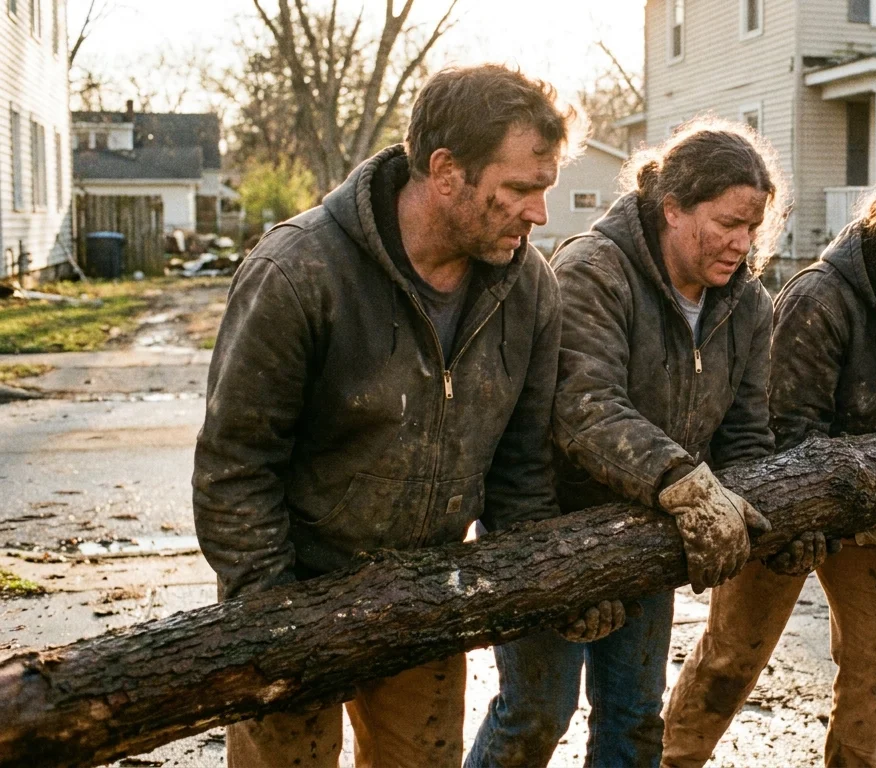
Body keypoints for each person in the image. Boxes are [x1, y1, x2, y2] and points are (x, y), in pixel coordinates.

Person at [192, 64, 613, 768]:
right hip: (293, 596)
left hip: (426, 601)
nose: (540, 214)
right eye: (519, 189)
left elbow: (520, 475)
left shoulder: (529, 287)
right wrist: (272, 619)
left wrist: (555, 584)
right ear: (445, 171)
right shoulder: (299, 272)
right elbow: (235, 467)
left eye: (546, 189)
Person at [467, 118, 818, 768]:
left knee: (633, 720)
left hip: (651, 532)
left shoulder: (746, 307)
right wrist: (685, 483)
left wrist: (778, 518)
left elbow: (744, 435)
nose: (742, 243)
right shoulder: (593, 272)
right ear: (672, 207)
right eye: (726, 223)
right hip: (549, 526)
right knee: (536, 715)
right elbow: (584, 407)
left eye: (752, 226)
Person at [662, 150, 876, 768]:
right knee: (733, 655)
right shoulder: (821, 298)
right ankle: (676, 760)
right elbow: (783, 433)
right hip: (784, 501)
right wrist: (805, 519)